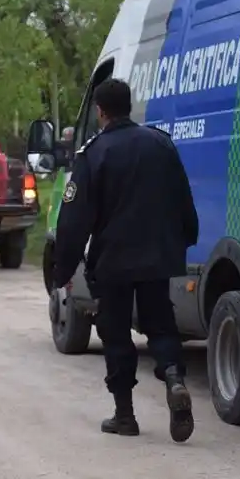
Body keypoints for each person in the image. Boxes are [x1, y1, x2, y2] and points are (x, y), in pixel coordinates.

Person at [54, 78, 199, 443]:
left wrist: (63, 268)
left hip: (114, 261)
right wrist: (187, 236)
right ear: (129, 106)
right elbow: (183, 197)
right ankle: (173, 377)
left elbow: (74, 220)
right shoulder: (161, 144)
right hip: (157, 256)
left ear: (100, 111)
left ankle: (125, 415)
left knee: (115, 333)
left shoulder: (93, 153)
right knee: (161, 324)